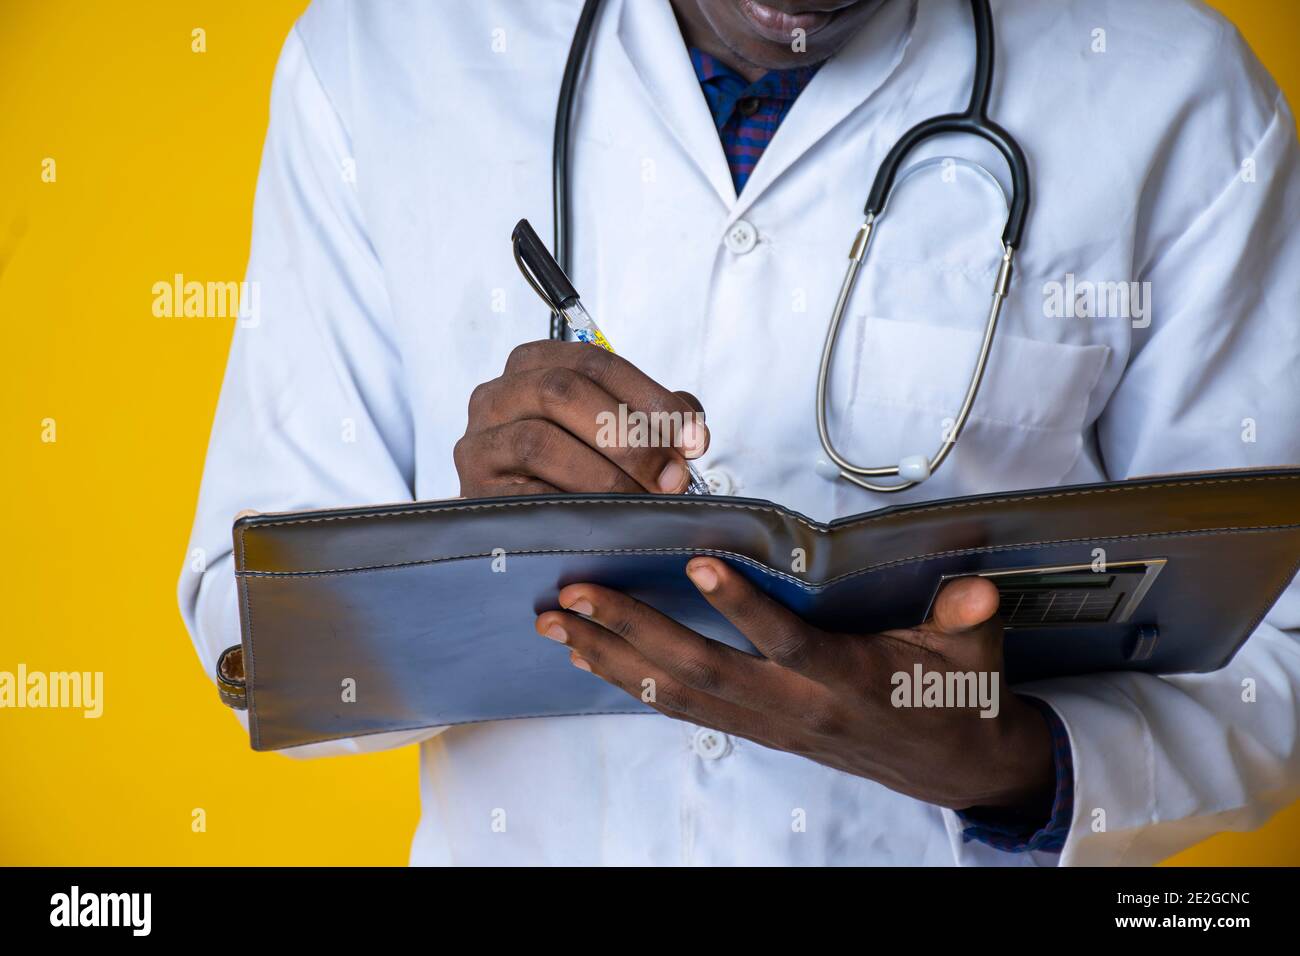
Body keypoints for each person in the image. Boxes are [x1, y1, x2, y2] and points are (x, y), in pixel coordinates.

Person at [179, 0, 1300, 865]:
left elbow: (1275, 649)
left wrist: (996, 759)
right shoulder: (380, 56)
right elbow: (246, 616)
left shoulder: (1175, 95)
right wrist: (457, 556)